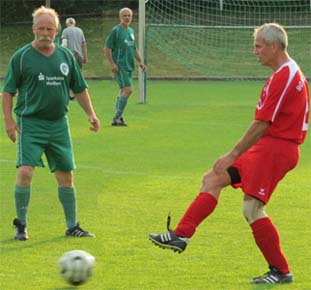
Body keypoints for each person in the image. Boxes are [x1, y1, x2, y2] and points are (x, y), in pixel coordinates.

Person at [149, 23, 310, 284]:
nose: (254, 51)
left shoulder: (285, 76)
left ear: (274, 46)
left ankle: (281, 271)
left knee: (252, 209)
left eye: (258, 46)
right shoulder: (283, 73)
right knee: (213, 178)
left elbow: (262, 123)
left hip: (276, 149)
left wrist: (233, 154)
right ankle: (181, 235)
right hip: (269, 147)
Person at [1, 6, 100, 241]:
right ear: (33, 29)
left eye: (49, 28)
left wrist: (91, 114)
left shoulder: (66, 56)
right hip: (31, 123)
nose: (45, 32)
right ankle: (21, 225)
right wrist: (8, 122)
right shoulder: (22, 56)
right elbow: (7, 92)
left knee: (66, 175)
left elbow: (79, 88)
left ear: (57, 30)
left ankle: (71, 226)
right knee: (25, 171)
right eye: (40, 28)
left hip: (58, 124)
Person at [104, 7, 146, 126]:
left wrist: (140, 62)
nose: (127, 18)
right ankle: (116, 117)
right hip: (120, 65)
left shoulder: (131, 31)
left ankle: (118, 118)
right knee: (128, 90)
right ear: (120, 17)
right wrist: (112, 63)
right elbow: (107, 48)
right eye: (125, 16)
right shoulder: (116, 31)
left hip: (129, 66)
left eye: (129, 16)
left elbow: (134, 48)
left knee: (123, 90)